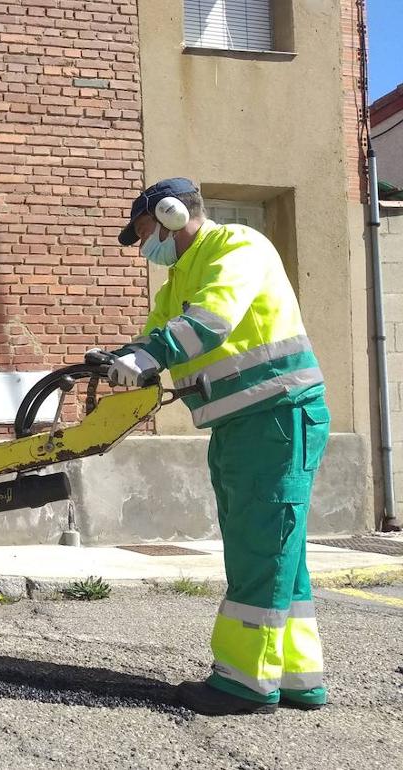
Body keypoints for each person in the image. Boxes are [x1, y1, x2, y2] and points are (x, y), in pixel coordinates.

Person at [94, 178, 330, 716]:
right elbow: (157, 333)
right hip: (241, 425)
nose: (144, 245)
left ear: (171, 214)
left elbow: (212, 320)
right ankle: (296, 677)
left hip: (276, 415)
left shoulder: (236, 245)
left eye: (144, 231)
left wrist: (151, 355)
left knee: (260, 549)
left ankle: (245, 683)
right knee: (277, 551)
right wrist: (119, 357)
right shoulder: (179, 278)